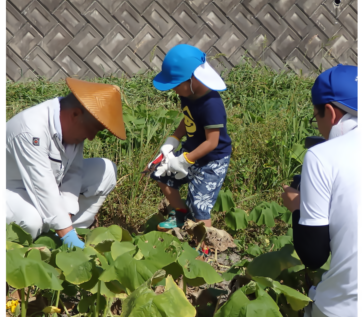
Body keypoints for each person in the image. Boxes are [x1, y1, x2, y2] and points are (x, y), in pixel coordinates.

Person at [281, 64, 358, 317]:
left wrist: (296, 207)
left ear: (331, 112)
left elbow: (313, 257)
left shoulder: (321, 156)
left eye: (317, 116)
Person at [6, 78, 124, 246]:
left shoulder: (71, 128)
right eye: (92, 130)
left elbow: (73, 172)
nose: (91, 137)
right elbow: (42, 185)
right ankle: (49, 238)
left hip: (45, 186)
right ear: (75, 114)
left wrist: (67, 211)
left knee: (106, 171)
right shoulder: (31, 129)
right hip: (11, 190)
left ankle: (68, 233)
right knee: (32, 220)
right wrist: (65, 231)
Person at [148, 45, 233, 233]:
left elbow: (212, 142)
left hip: (212, 161)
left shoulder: (212, 105)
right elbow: (188, 119)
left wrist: (184, 160)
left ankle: (206, 247)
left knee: (200, 205)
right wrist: (174, 140)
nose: (175, 91)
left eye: (176, 85)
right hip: (192, 150)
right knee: (161, 175)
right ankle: (180, 213)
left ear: (192, 79)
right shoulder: (188, 94)